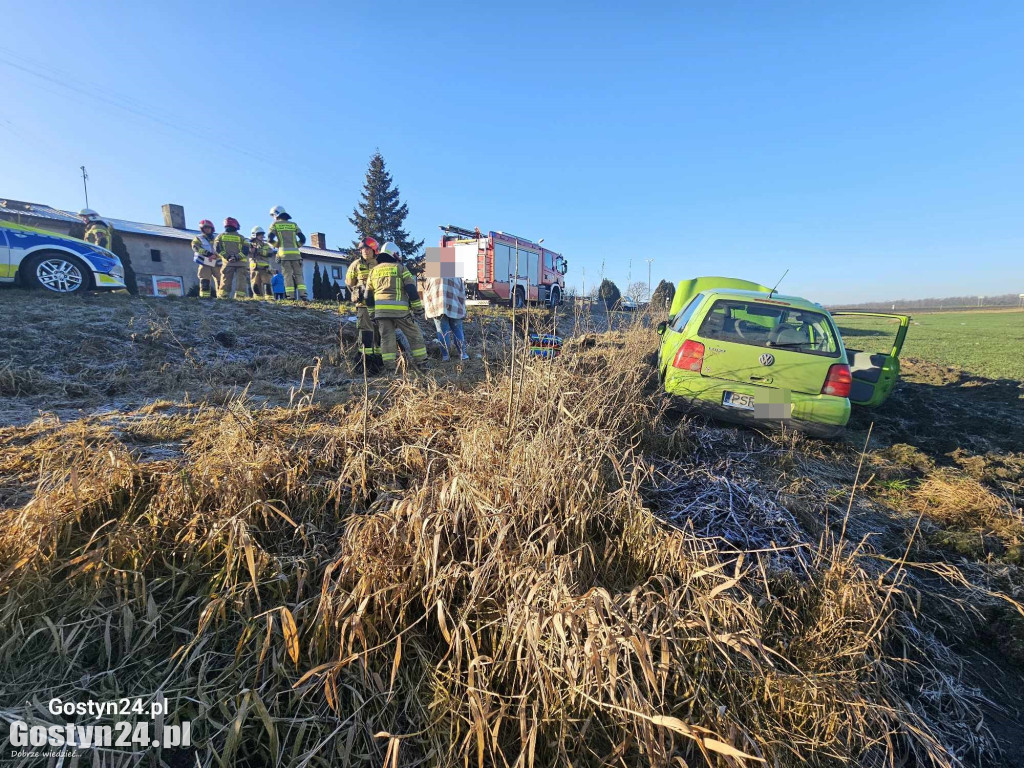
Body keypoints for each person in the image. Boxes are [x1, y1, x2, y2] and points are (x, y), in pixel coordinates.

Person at [365, 242, 429, 371]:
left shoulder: (373, 272)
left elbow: (368, 296)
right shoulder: (400, 268)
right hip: (401, 312)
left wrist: (372, 314)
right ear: (395, 254)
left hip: (381, 313)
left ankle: (390, 368)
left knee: (387, 338)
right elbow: (411, 290)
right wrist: (417, 309)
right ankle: (422, 363)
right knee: (414, 335)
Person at [345, 236, 381, 360]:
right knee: (366, 331)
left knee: (379, 331)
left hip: (379, 304)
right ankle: (365, 360)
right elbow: (349, 282)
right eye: (363, 249)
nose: (365, 251)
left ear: (374, 250)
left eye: (368, 249)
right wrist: (357, 294)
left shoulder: (379, 263)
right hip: (363, 305)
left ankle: (379, 358)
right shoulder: (355, 265)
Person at [422, 273, 469, 361]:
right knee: (458, 331)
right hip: (455, 308)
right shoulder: (457, 276)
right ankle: (463, 355)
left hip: (437, 308)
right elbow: (462, 295)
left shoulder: (431, 277)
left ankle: (445, 356)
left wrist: (427, 310)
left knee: (442, 333)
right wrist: (463, 310)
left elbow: (426, 294)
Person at [267, 205, 307, 300]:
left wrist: (278, 245)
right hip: (296, 255)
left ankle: (290, 296)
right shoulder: (293, 224)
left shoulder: (275, 225)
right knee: (299, 275)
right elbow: (303, 238)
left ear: (276, 214)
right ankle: (303, 295)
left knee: (287, 276)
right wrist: (296, 245)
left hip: (284, 255)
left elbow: (269, 238)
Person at [215, 217, 250, 299]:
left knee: (226, 280)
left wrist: (228, 257)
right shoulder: (242, 237)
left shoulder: (220, 236)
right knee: (241, 281)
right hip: (241, 263)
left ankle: (223, 296)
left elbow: (217, 249)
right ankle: (240, 297)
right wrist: (236, 257)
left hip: (228, 263)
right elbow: (246, 250)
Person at [191, 219, 221, 299]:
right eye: (205, 228)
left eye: (208, 228)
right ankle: (205, 298)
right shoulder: (198, 238)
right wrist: (208, 254)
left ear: (212, 228)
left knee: (220, 281)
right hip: (205, 262)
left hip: (217, 263)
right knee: (204, 280)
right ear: (202, 229)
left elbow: (223, 249)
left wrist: (215, 255)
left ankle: (222, 297)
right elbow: (196, 247)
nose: (207, 229)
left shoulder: (218, 237)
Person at [249, 226, 275, 300]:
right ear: (255, 235)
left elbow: (270, 253)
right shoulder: (250, 245)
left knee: (267, 283)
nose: (262, 236)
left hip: (265, 268)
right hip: (254, 268)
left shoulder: (266, 245)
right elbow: (248, 252)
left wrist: (258, 251)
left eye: (262, 234)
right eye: (260, 234)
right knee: (255, 284)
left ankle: (269, 298)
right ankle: (258, 299)